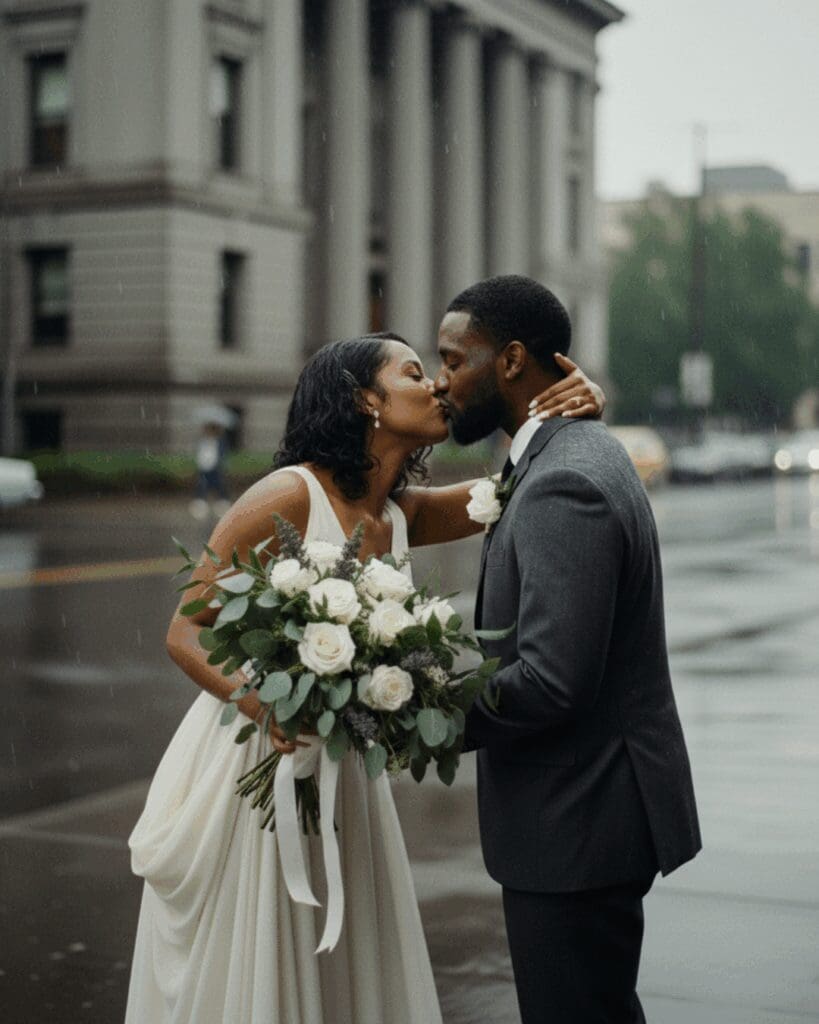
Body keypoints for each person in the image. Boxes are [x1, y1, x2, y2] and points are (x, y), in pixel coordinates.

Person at [125, 331, 604, 1024]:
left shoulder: (401, 514)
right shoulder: (287, 494)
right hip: (259, 758)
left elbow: (523, 480)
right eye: (414, 372)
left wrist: (572, 405)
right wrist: (268, 709)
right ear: (363, 399)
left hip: (344, 771)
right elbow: (184, 630)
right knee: (262, 952)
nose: (437, 385)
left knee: (340, 970)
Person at [434, 275, 701, 1024]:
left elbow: (552, 682)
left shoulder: (565, 482)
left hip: (579, 822)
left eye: (454, 360)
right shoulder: (572, 451)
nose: (441, 380)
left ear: (513, 360)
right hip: (587, 816)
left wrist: (416, 714)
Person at [189, 421, 231, 521]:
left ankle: (223, 503)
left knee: (219, 485)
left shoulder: (220, 441)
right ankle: (200, 504)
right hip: (204, 468)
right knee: (202, 486)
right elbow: (200, 453)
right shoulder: (203, 441)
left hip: (215, 468)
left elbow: (222, 454)